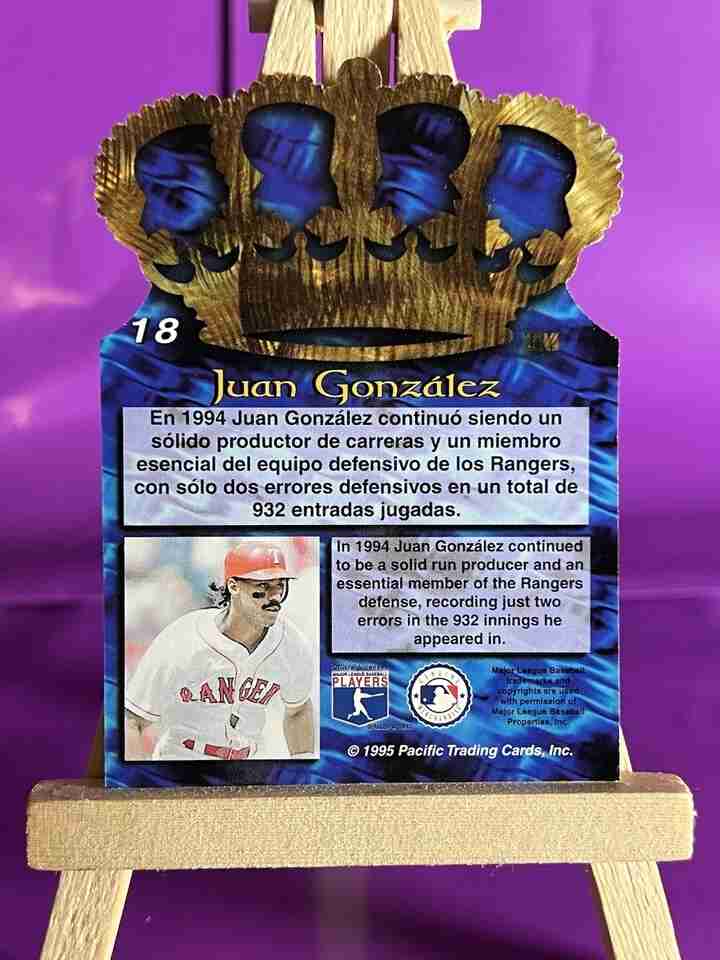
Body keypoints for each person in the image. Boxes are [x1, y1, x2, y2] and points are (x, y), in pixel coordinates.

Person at [125, 542, 316, 761]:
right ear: (233, 586)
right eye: (263, 586)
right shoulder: (182, 638)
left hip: (249, 765)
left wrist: (303, 765)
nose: (273, 596)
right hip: (183, 760)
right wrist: (137, 777)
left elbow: (298, 709)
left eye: (279, 585)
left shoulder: (290, 643)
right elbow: (133, 720)